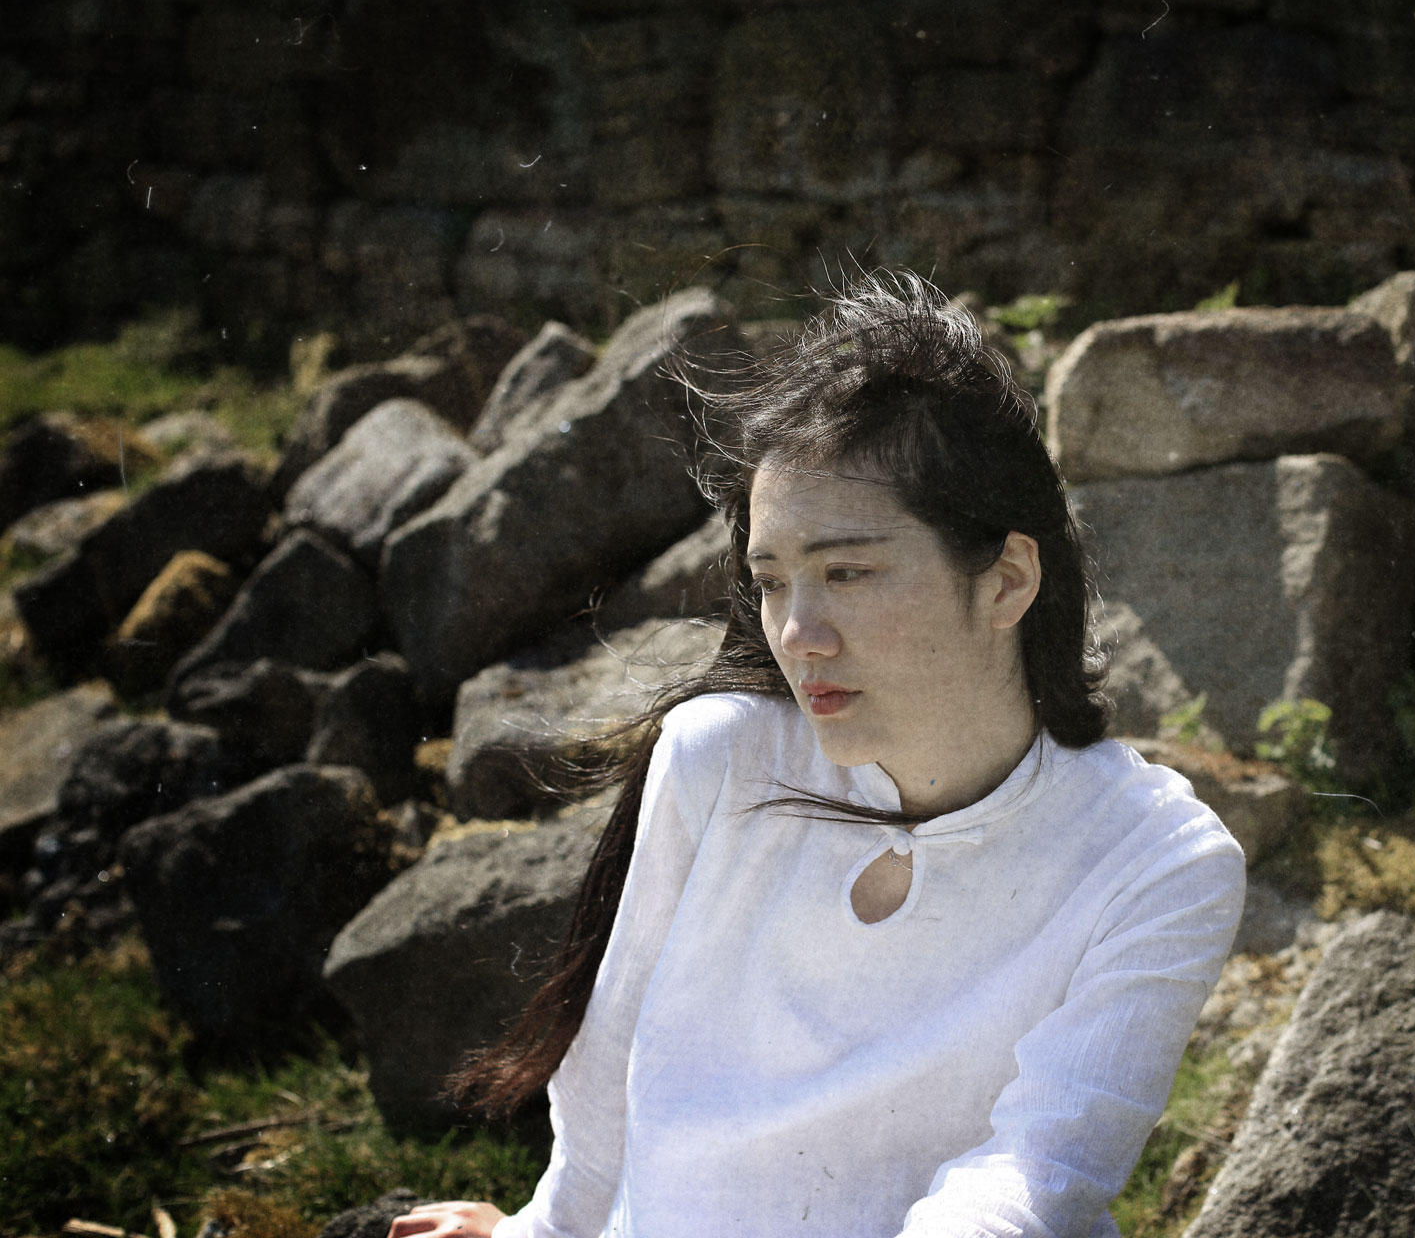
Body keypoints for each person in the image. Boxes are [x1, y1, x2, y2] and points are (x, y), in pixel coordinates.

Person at [387, 271, 1246, 1238]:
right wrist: (540, 1234)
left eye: (846, 572)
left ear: (1006, 580)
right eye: (772, 582)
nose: (798, 634)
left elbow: (1035, 1174)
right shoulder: (719, 757)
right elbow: (608, 1072)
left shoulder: (1158, 857)